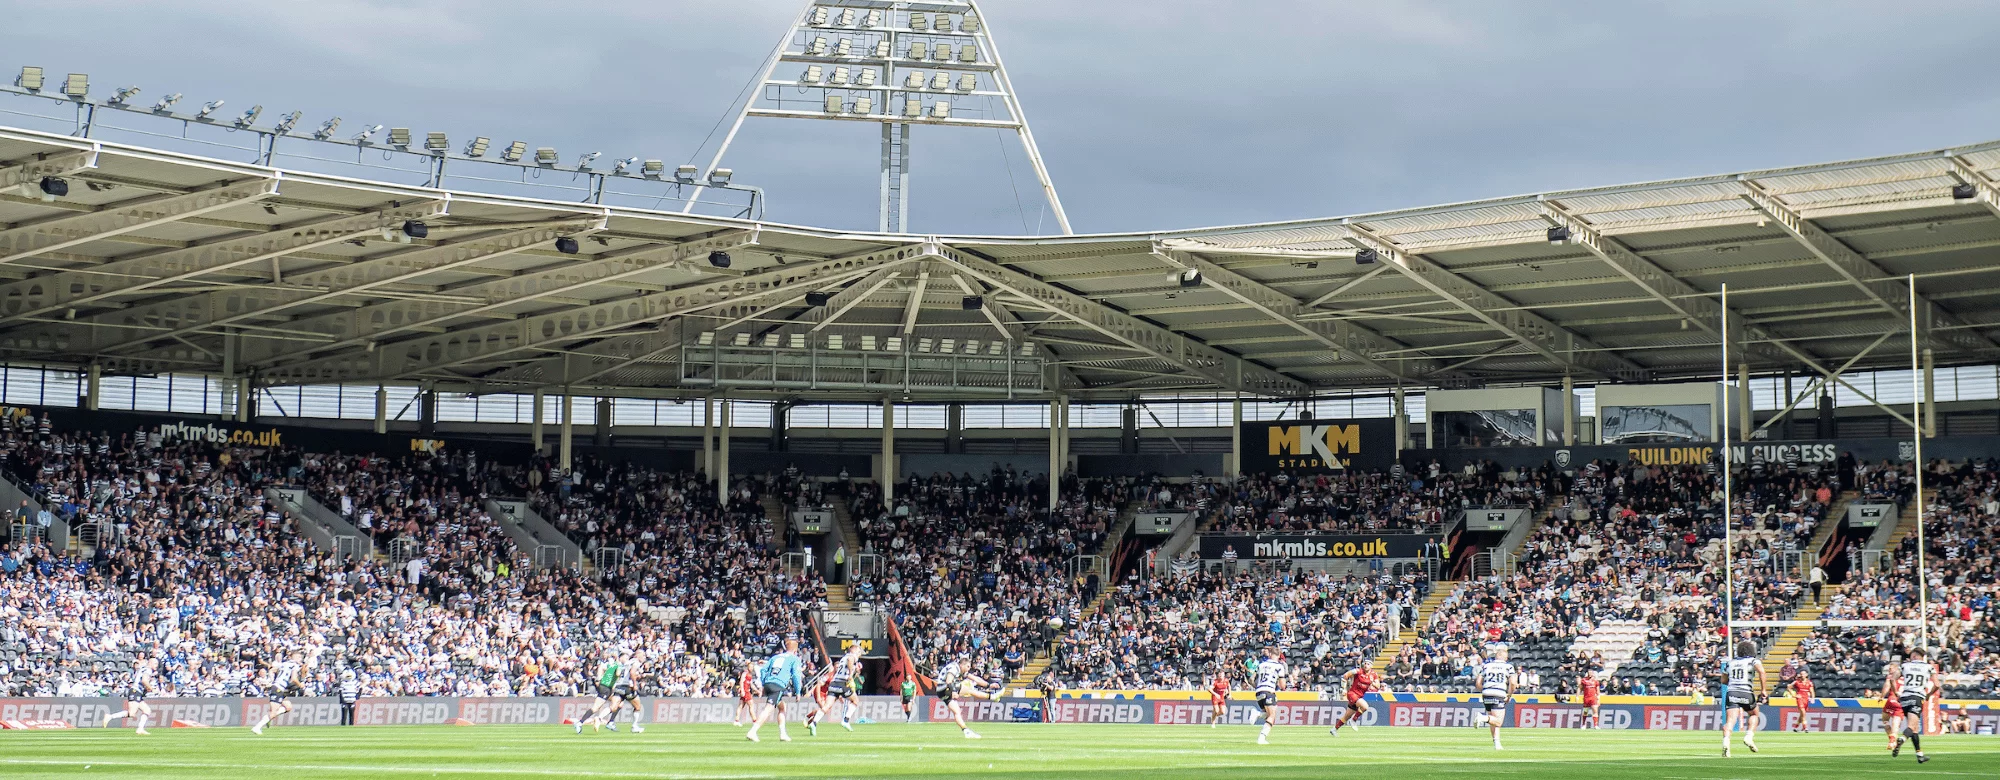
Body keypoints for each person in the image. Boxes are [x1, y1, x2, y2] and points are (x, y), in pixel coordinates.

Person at [746, 635, 805, 743]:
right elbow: (796, 675)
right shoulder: (794, 659)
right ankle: (753, 731)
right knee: (768, 709)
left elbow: (763, 670)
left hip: (769, 683)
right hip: (778, 685)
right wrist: (798, 692)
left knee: (782, 707)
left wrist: (764, 684)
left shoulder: (775, 657)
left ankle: (783, 734)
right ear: (795, 650)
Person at [1891, 647, 1937, 764]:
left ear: (1915, 655)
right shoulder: (1929, 667)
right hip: (1917, 697)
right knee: (1911, 727)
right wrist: (1928, 695)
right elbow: (1937, 684)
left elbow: (1892, 679)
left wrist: (1896, 692)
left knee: (1914, 729)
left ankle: (1919, 755)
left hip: (1905, 697)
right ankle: (1901, 739)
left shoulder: (1905, 666)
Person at [1721, 641, 1765, 758]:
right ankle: (1749, 736)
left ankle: (1726, 742)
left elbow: (1723, 681)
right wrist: (1763, 690)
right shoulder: (1753, 660)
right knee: (1754, 714)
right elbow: (1761, 671)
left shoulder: (1731, 662)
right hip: (1746, 691)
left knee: (1730, 721)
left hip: (1732, 692)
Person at [931, 656, 990, 739]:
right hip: (944, 687)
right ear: (962, 665)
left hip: (941, 692)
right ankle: (992, 696)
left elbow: (976, 679)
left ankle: (966, 731)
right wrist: (954, 691)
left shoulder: (960, 670)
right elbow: (948, 680)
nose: (969, 669)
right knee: (969, 690)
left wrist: (989, 685)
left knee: (957, 712)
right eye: (968, 666)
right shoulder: (954, 667)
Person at [251, 657, 303, 736]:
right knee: (273, 712)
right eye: (299, 658)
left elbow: (272, 670)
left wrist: (272, 680)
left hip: (279, 688)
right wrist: (300, 685)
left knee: (288, 707)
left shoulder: (284, 664)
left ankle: (269, 718)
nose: (300, 660)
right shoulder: (294, 665)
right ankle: (257, 727)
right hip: (278, 688)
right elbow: (294, 678)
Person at [1330, 663, 1383, 736]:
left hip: (1359, 696)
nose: (1365, 665)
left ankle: (1334, 729)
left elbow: (1378, 686)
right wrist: (1344, 688)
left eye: (1368, 664)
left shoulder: (1374, 674)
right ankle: (1354, 719)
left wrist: (1372, 683)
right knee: (1365, 706)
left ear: (1371, 666)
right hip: (1352, 694)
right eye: (1365, 664)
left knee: (1347, 716)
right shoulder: (1358, 671)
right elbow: (1346, 675)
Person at [1477, 647, 1514, 750]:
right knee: (1498, 721)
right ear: (1505, 658)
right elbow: (1513, 682)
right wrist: (1509, 695)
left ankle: (1496, 743)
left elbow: (1478, 682)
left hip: (1486, 693)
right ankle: (1482, 718)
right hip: (1499, 692)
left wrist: (1485, 690)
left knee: (1493, 720)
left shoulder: (1486, 666)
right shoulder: (1508, 667)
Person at [1252, 646, 1286, 745]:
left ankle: (1258, 714)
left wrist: (1258, 687)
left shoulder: (1261, 664)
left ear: (1270, 654)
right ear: (1279, 656)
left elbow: (1251, 679)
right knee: (1272, 716)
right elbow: (1282, 685)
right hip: (1269, 690)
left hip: (1259, 691)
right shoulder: (1279, 666)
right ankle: (1261, 738)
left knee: (1268, 714)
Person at [734, 657, 758, 727]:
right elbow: (741, 681)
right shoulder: (745, 673)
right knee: (751, 705)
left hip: (746, 691)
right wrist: (742, 690)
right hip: (746, 692)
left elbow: (751, 684)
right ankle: (754, 720)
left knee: (741, 706)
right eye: (750, 666)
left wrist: (757, 690)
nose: (751, 668)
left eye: (752, 667)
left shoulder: (750, 675)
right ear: (748, 667)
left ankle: (736, 720)